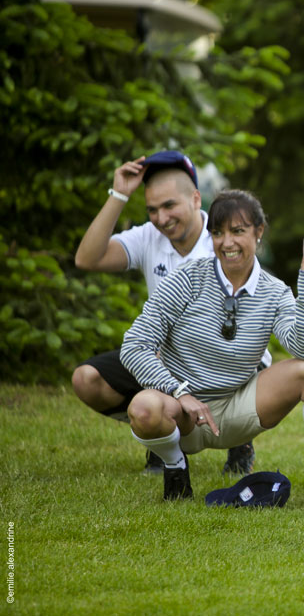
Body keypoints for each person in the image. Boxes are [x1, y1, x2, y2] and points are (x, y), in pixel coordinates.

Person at [121, 189, 304, 500]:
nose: (227, 242)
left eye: (238, 231)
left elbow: (302, 349)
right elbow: (134, 345)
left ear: (258, 232)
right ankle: (175, 467)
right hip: (182, 412)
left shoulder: (275, 292)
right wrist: (179, 392)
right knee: (143, 407)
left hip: (239, 409)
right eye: (218, 233)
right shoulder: (187, 279)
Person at [71, 151, 255, 475]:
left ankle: (235, 438)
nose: (161, 218)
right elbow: (87, 259)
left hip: (220, 358)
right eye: (152, 209)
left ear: (196, 199)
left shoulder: (224, 243)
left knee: (170, 358)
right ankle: (161, 432)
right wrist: (118, 195)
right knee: (86, 379)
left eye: (169, 205)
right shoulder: (148, 237)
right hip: (159, 358)